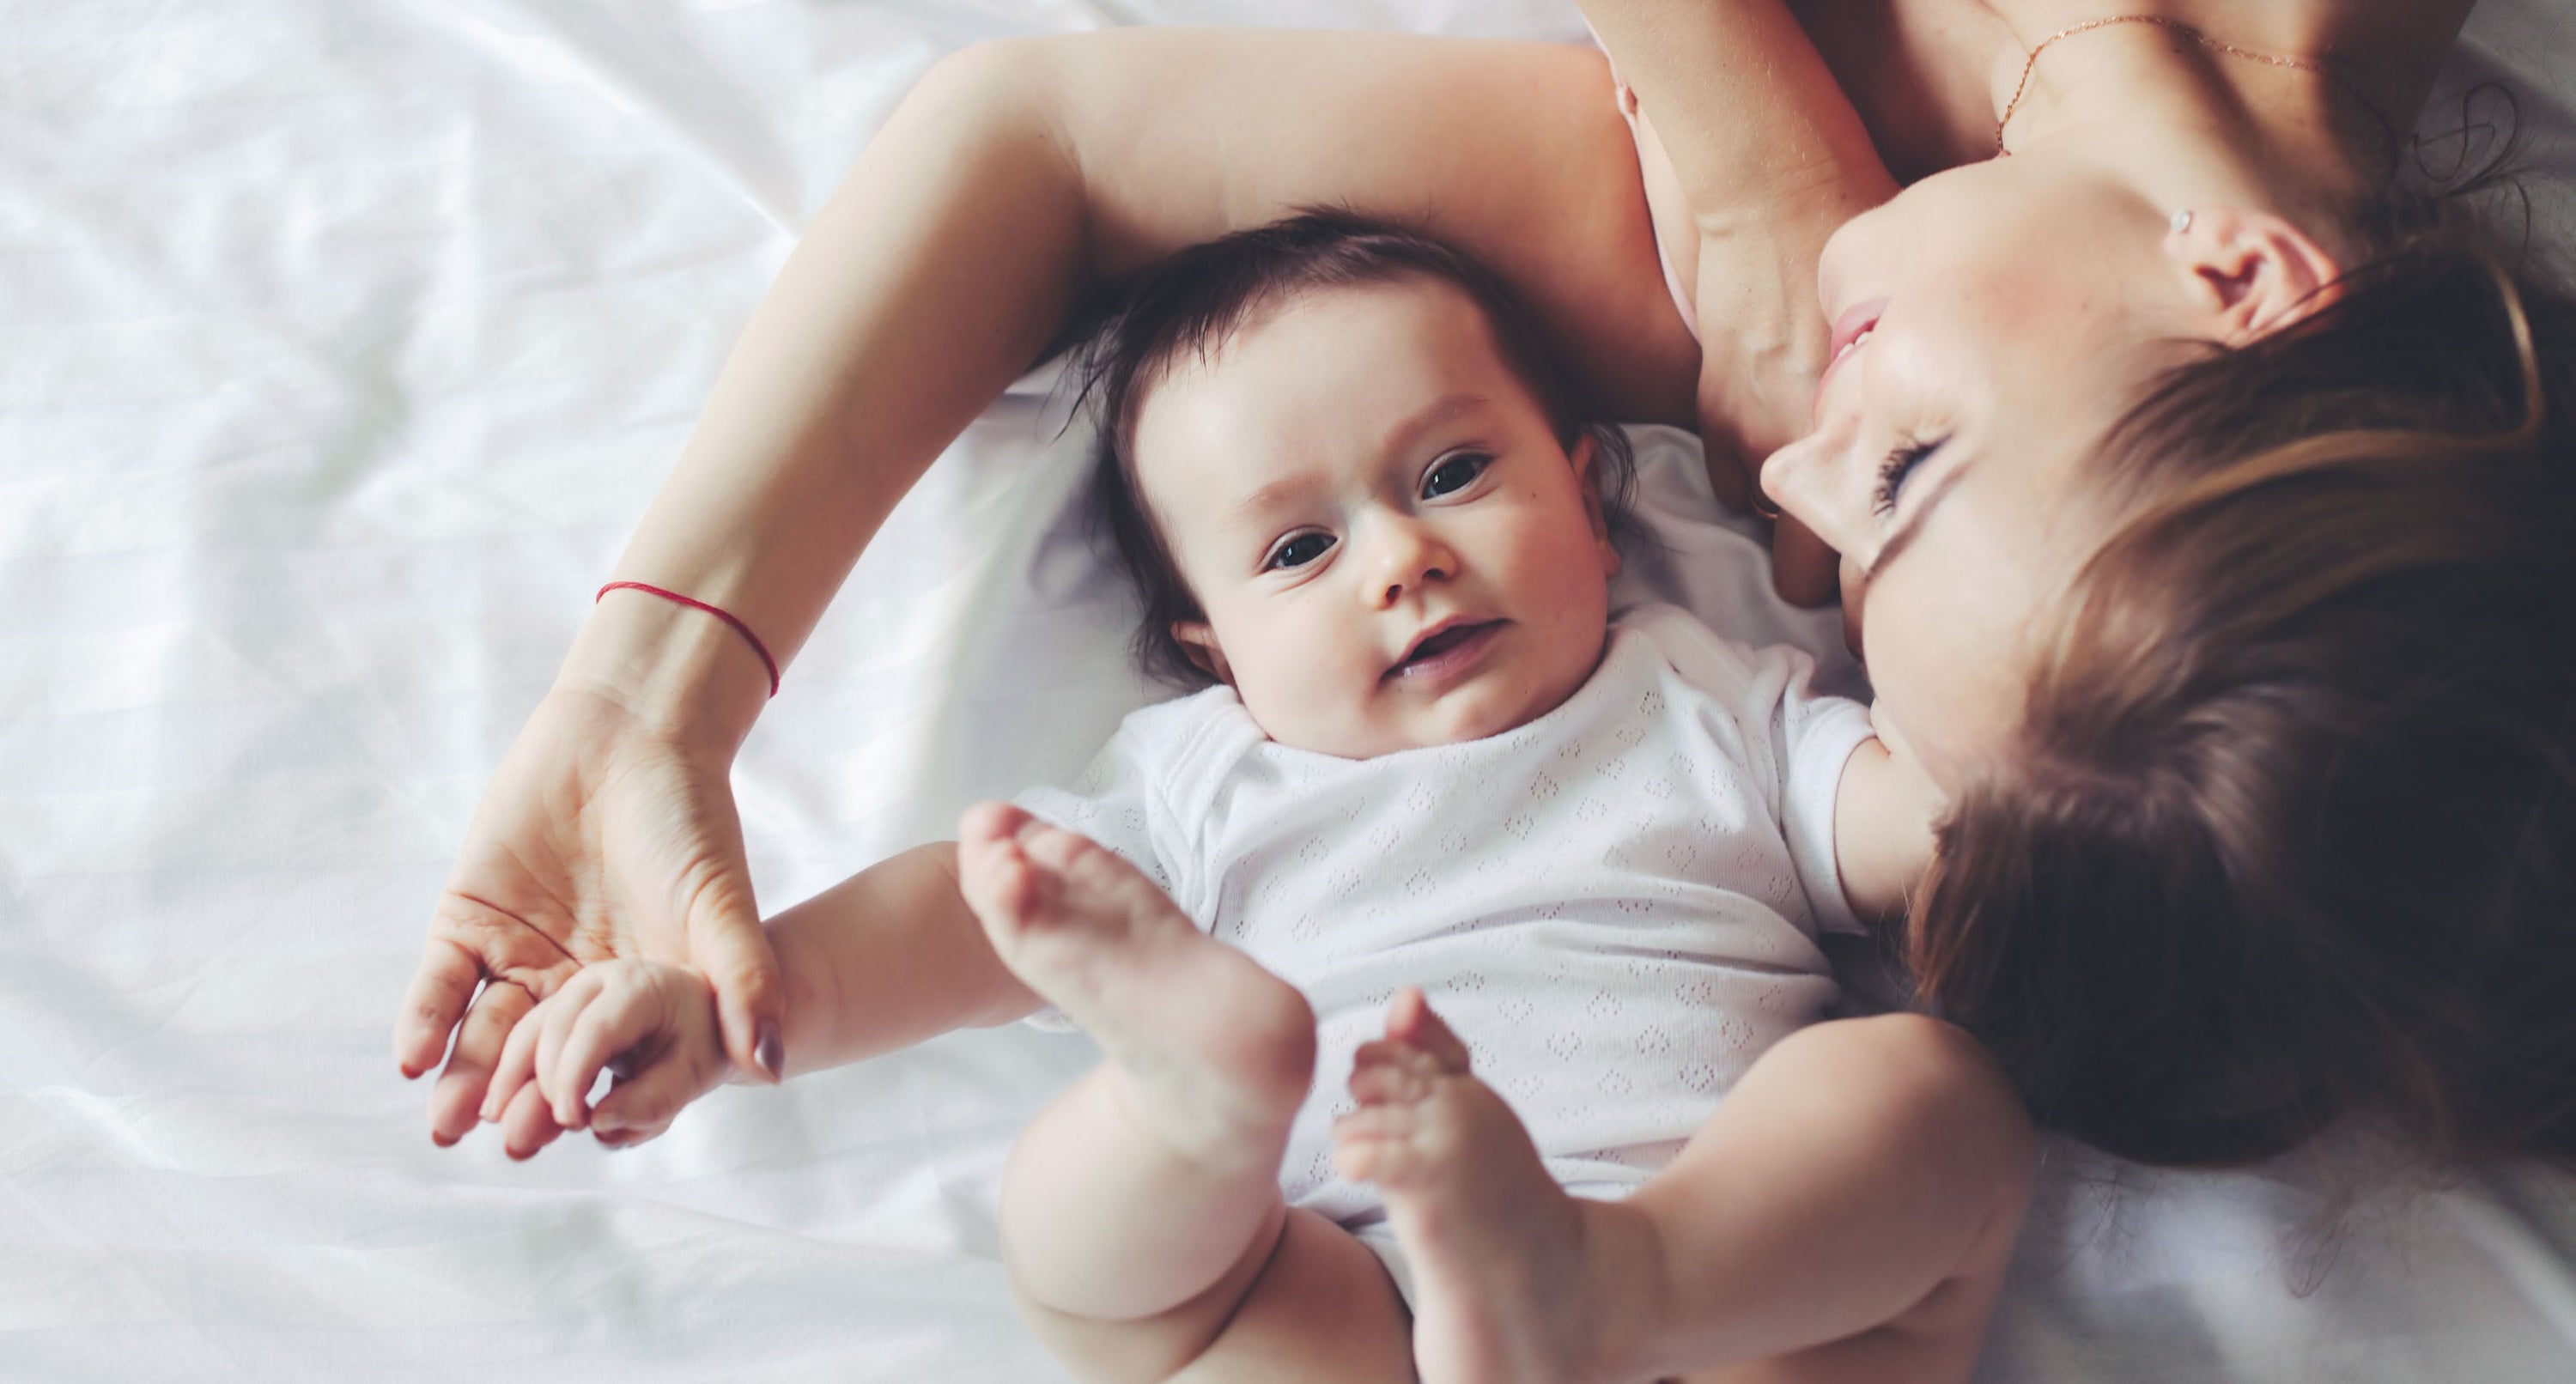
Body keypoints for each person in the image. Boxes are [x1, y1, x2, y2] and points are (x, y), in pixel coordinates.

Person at [402, 0, 2576, 1174]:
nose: (1788, 466)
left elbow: (1039, 137)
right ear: (2248, 278)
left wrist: (644, 706)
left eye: (1839, 548)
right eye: (1903, 471)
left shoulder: (1748, 308)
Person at [477, 213, 2033, 1384]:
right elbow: (972, 911)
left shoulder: (1708, 700)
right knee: (1116, 1254)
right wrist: (743, 1001)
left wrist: (2020, 784)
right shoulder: (1211, 784)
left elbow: (1924, 827)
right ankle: (1196, 1100)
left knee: (1926, 1090)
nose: (1400, 560)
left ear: (1593, 503)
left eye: (1453, 476)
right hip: (1352, 1286)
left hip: (1712, 1277)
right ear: (1211, 653)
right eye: (1298, 552)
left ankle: (1596, 1275)